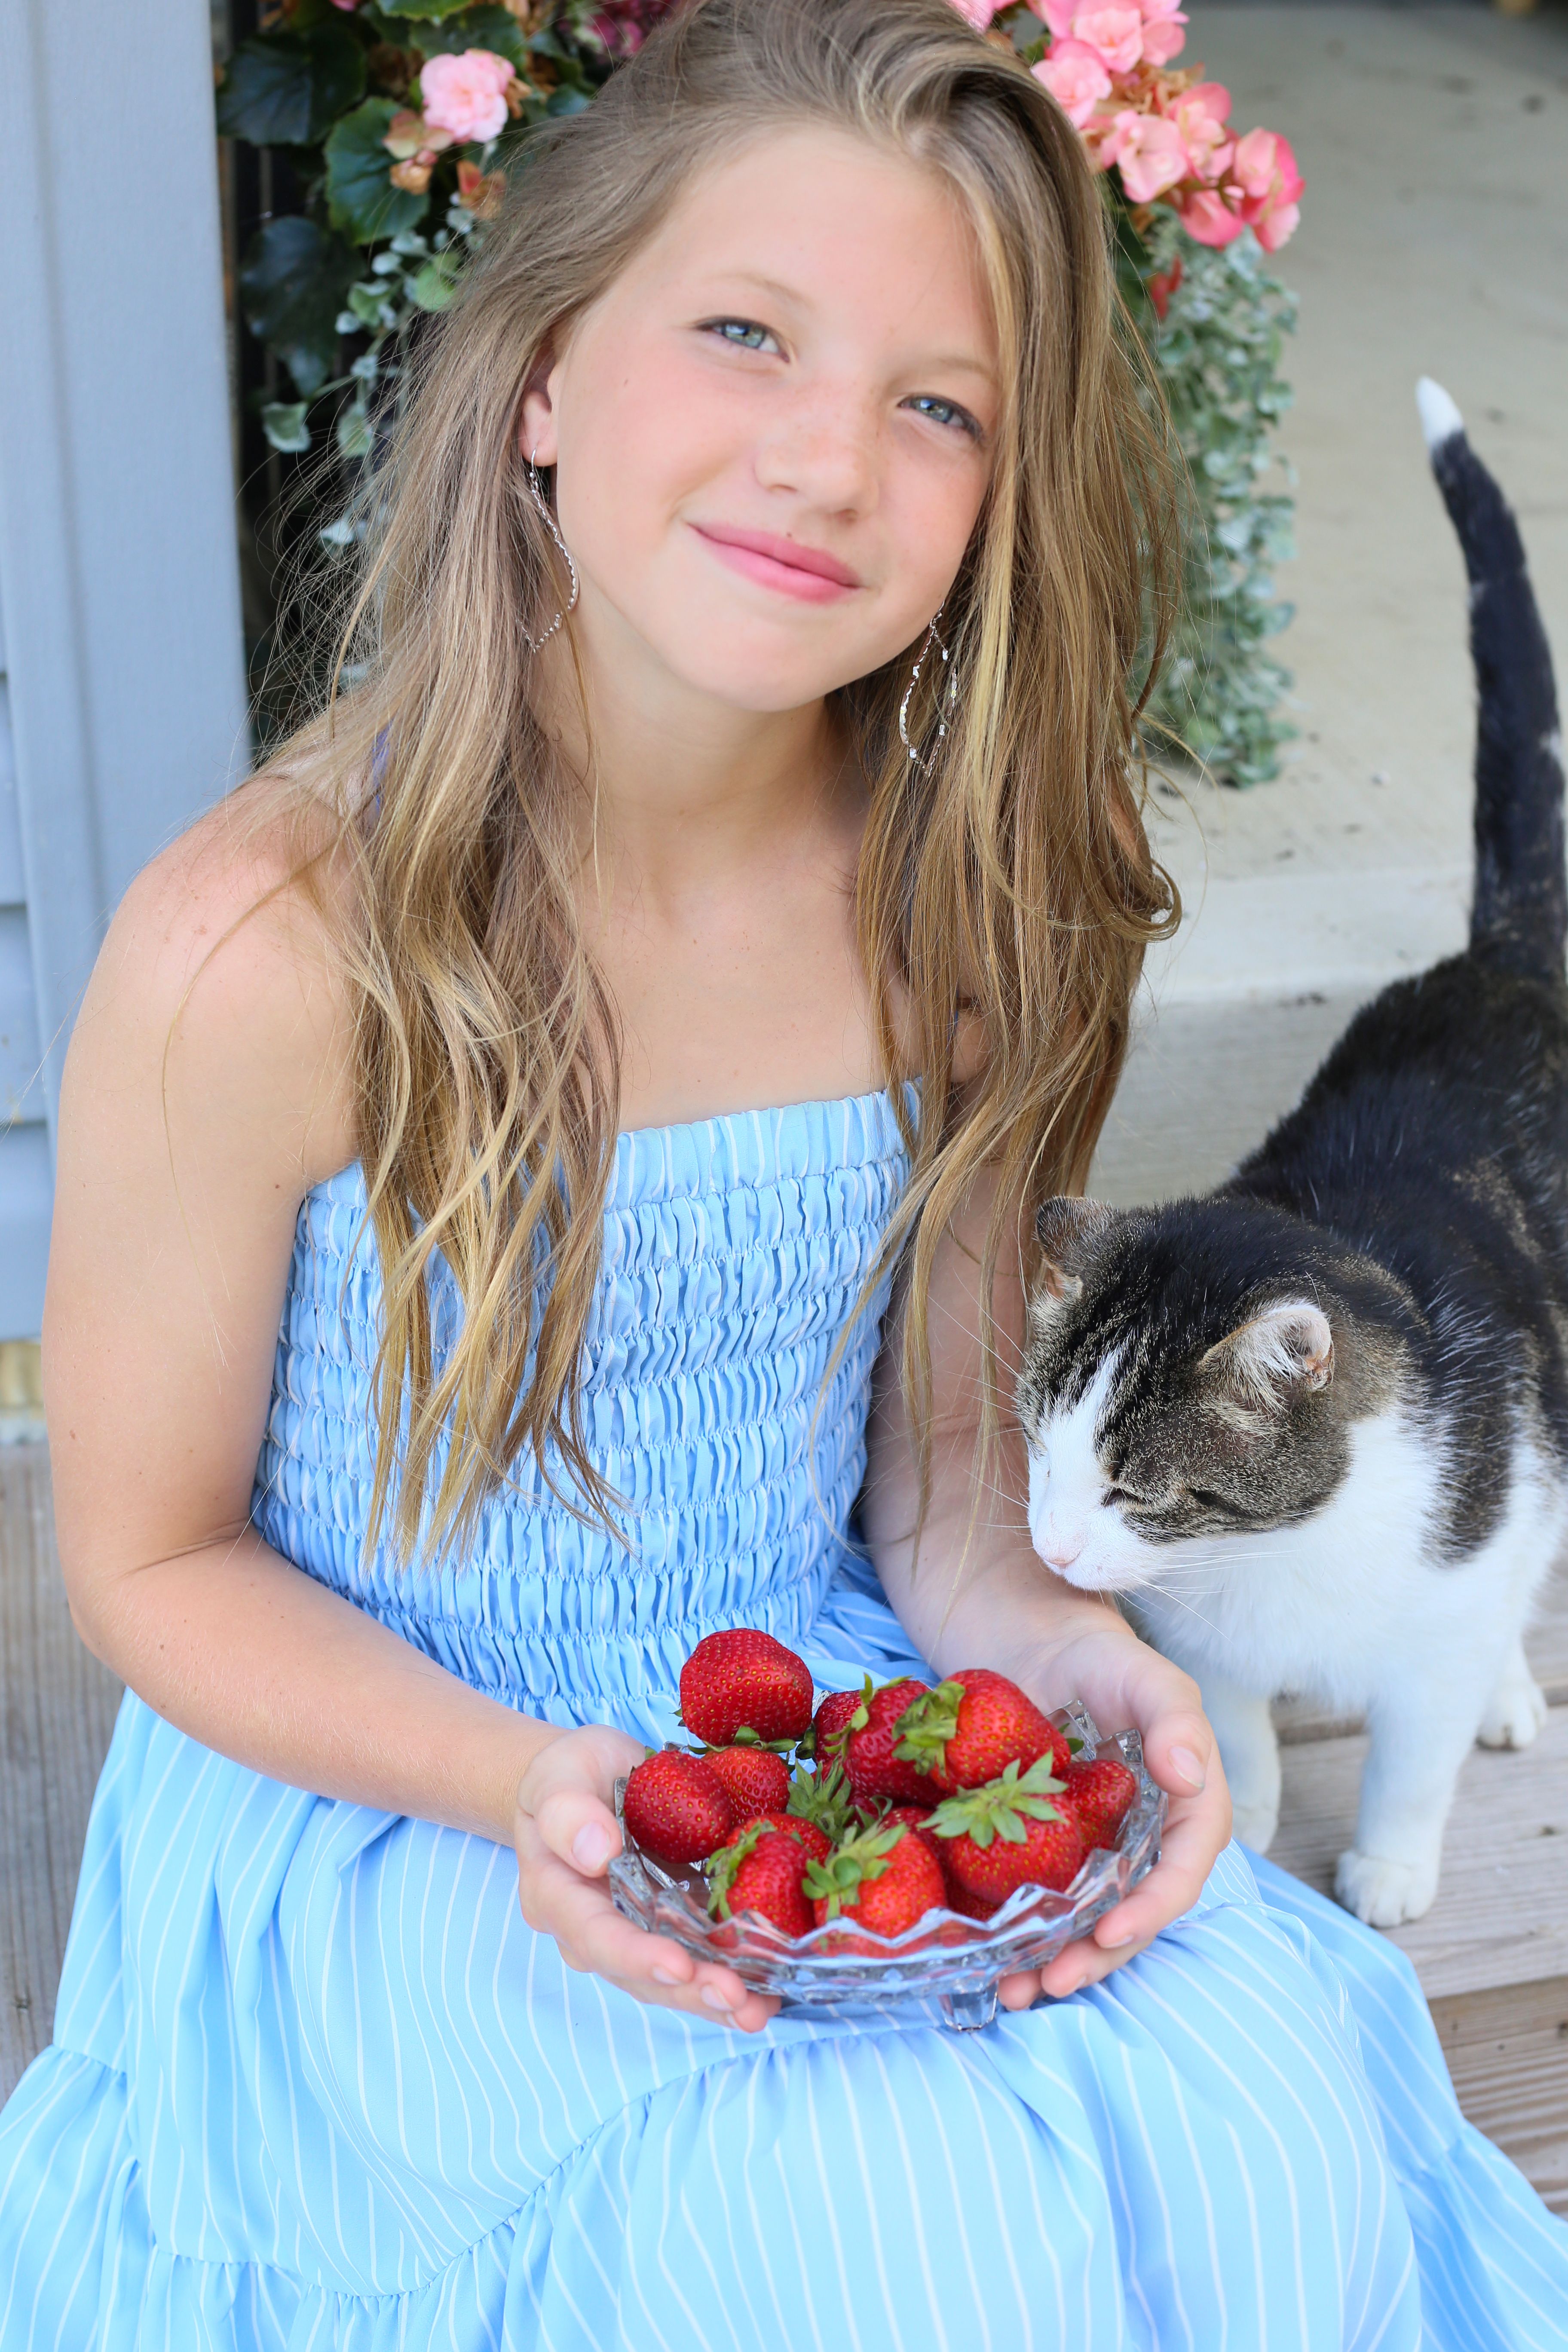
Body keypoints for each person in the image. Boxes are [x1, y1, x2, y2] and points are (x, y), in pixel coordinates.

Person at [2, 0, 1564, 2341]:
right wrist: (541, 1780)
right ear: (543, 377)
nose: (829, 458)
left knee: (1264, 2129)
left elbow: (937, 1501)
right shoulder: (266, 948)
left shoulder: (955, 915)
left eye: (940, 406)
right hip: (411, 1788)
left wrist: (1069, 1653)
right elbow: (148, 1552)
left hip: (813, 1727)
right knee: (861, 2258)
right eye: (745, 332)